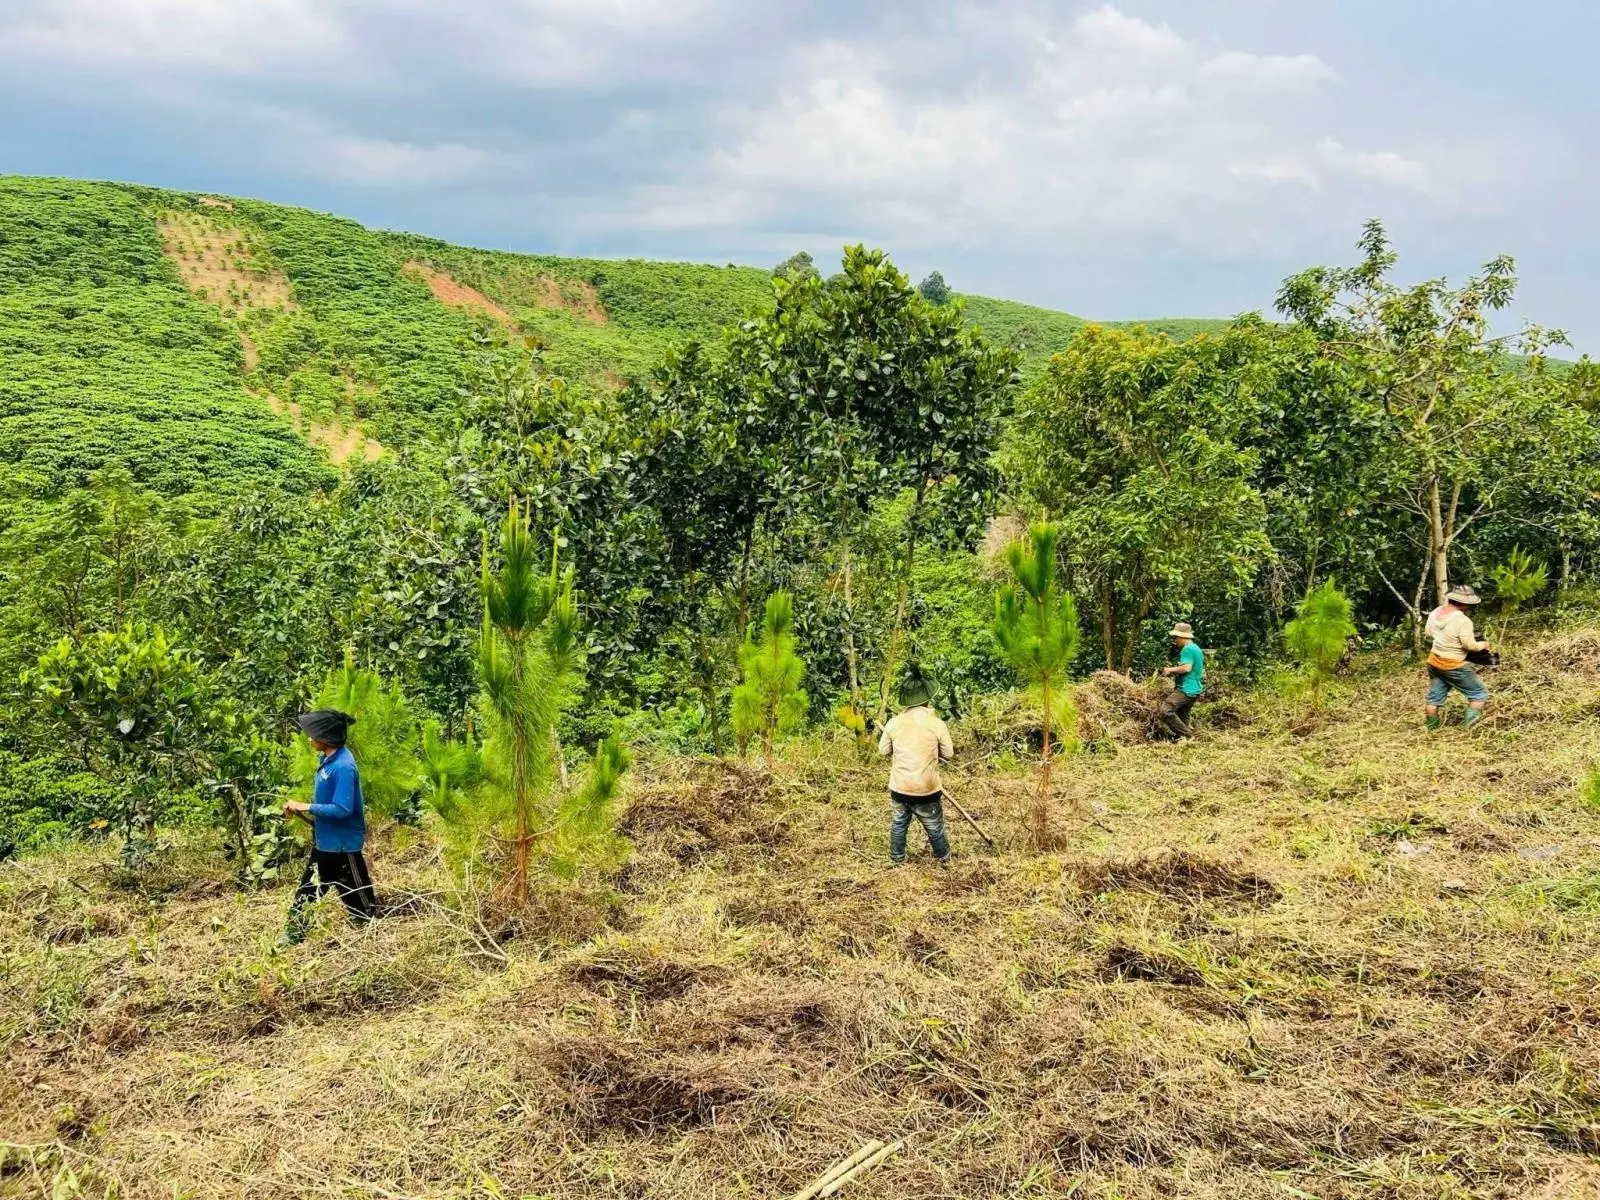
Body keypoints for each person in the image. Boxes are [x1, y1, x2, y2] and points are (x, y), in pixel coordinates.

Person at [283, 708, 376, 941]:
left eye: (312, 734)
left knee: (358, 895)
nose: (309, 738)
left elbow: (343, 809)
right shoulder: (327, 759)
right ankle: (294, 934)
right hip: (326, 841)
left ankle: (372, 933)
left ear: (326, 737)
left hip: (343, 845)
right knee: (308, 890)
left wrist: (306, 806)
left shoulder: (343, 766)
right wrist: (300, 809)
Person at [877, 669, 954, 867]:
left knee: (899, 824)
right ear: (928, 698)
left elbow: (883, 750)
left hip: (900, 788)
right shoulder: (936, 724)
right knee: (934, 825)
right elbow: (949, 754)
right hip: (926, 788)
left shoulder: (894, 723)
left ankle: (896, 859)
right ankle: (944, 858)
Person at [1425, 585, 1492, 731]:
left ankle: (1431, 730)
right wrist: (1483, 644)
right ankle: (1470, 729)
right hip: (1453, 664)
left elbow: (1429, 633)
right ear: (1464, 603)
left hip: (1434, 660)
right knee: (1478, 694)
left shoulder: (1436, 612)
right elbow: (1470, 645)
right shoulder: (1463, 621)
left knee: (1434, 698)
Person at [1158, 621, 1205, 739]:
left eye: (1176, 637)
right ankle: (1184, 741)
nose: (1175, 640)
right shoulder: (1196, 648)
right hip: (1195, 689)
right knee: (1183, 716)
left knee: (1165, 710)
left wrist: (1170, 670)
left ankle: (1189, 736)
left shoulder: (1187, 649)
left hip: (1186, 689)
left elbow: (1186, 668)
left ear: (1182, 636)